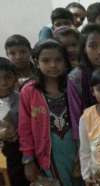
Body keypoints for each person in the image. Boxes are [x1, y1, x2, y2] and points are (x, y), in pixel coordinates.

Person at [18, 39, 81, 186]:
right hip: (48, 155)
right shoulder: (29, 91)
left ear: (65, 62)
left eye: (58, 60)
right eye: (46, 60)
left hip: (77, 150)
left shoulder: (73, 85)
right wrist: (28, 160)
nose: (53, 65)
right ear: (36, 61)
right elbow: (24, 129)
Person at [67, 23, 100, 142]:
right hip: (88, 136)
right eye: (93, 46)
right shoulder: (75, 77)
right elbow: (75, 114)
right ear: (84, 49)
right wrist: (80, 143)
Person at [0, 58, 30, 186]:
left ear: (15, 77)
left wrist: (16, 133)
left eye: (7, 77)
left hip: (19, 151)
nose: (3, 82)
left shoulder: (22, 98)